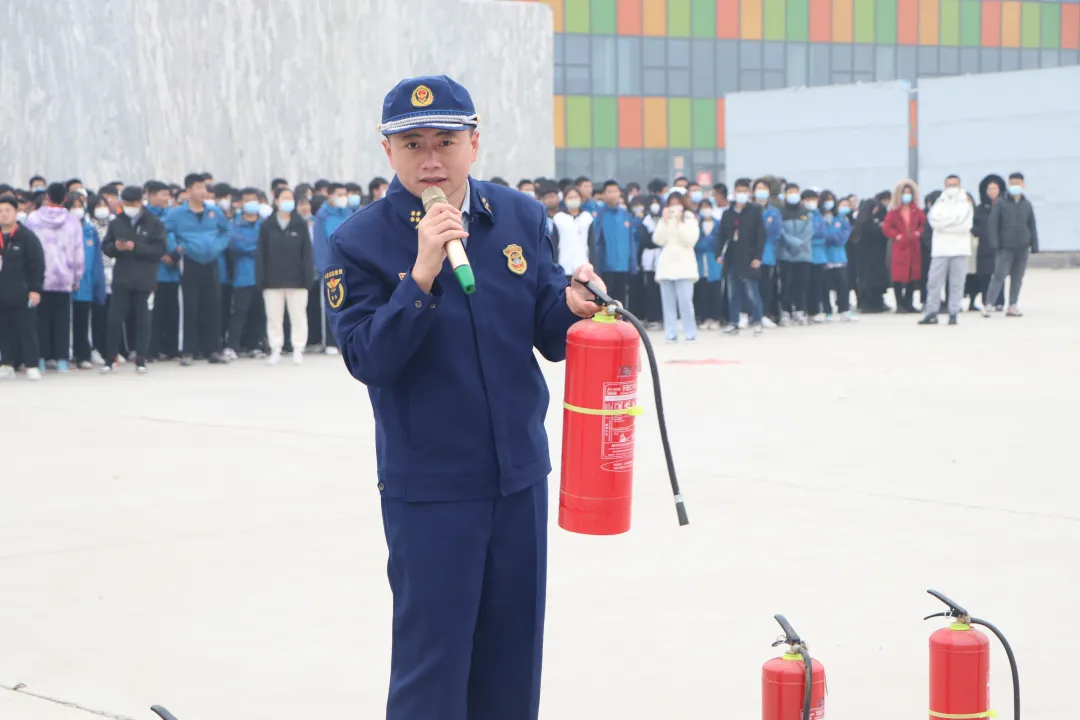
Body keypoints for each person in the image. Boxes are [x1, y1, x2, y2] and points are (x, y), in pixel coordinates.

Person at [323, 74, 605, 720]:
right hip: (432, 488)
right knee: (434, 668)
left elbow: (548, 330)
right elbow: (369, 357)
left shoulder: (519, 217)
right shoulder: (358, 243)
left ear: (474, 144)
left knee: (512, 659)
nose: (430, 159)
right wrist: (421, 272)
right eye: (412, 143)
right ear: (386, 151)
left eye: (446, 141)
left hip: (519, 480)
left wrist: (573, 304)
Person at [166, 173, 231, 365]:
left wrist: (218, 246)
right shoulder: (177, 213)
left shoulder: (214, 212)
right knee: (190, 306)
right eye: (198, 188)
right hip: (189, 261)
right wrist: (176, 247)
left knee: (213, 305)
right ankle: (187, 350)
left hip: (211, 261)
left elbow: (226, 231)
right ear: (188, 191)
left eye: (204, 188)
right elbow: (166, 230)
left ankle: (214, 350)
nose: (203, 192)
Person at [101, 187, 167, 373]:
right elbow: (106, 246)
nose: (129, 207)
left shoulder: (154, 223)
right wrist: (115, 247)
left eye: (133, 203)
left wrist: (135, 247)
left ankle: (141, 359)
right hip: (122, 277)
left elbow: (159, 250)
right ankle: (110, 359)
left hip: (144, 278)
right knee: (114, 319)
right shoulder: (116, 223)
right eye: (126, 203)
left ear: (141, 202)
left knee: (142, 320)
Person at [24, 182, 84, 372]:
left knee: (39, 320)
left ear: (46, 197)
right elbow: (78, 252)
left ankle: (40, 358)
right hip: (64, 277)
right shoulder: (72, 221)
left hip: (39, 277)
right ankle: (61, 360)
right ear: (65, 199)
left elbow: (27, 249)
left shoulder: (32, 219)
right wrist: (77, 277)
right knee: (62, 321)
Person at [256, 187, 312, 365]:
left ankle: (298, 348)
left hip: (297, 280)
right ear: (276, 201)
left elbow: (307, 253)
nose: (288, 201)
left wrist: (307, 277)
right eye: (284, 198)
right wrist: (261, 278)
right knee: (274, 317)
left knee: (298, 316)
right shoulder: (267, 225)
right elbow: (261, 253)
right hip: (273, 280)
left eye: (291, 198)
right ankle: (276, 348)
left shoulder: (300, 224)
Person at [0, 195, 45, 380]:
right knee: (4, 329)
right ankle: (7, 363)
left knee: (27, 329)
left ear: (16, 212)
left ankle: (32, 364)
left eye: (7, 210)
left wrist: (35, 289)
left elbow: (37, 265)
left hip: (21, 291)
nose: (3, 214)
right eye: (0, 211)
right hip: (1, 292)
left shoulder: (26, 236)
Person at [920, 175, 973, 326]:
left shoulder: (966, 204)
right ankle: (931, 312)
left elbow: (965, 225)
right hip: (940, 249)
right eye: (949, 185)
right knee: (933, 281)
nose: (952, 188)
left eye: (955, 185)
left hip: (960, 249)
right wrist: (952, 223)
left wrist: (945, 226)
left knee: (957, 283)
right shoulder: (939, 203)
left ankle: (953, 312)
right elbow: (934, 222)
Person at [984, 172, 1038, 318]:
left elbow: (1032, 224)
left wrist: (1034, 244)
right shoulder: (1001, 203)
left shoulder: (1026, 204)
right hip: (1005, 246)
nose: (1015, 186)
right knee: (999, 275)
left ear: (1023, 185)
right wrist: (995, 243)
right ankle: (989, 304)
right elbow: (993, 224)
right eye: (1012, 183)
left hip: (1022, 246)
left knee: (1017, 277)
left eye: (1018, 183)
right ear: (1008, 185)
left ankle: (1013, 305)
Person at [717, 178, 765, 335]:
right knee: (733, 293)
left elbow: (760, 236)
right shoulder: (728, 213)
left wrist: (757, 256)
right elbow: (721, 236)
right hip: (731, 259)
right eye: (739, 191)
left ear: (749, 193)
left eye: (745, 192)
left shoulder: (755, 212)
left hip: (749, 258)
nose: (741, 194)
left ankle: (757, 321)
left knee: (752, 292)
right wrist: (719, 254)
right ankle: (734, 322)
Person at [653, 190, 700, 341]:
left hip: (684, 266)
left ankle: (690, 332)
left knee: (685, 301)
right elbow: (658, 240)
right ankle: (671, 332)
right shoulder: (664, 220)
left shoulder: (690, 218)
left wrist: (679, 223)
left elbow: (690, 240)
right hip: (667, 265)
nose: (674, 207)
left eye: (677, 203)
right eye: (671, 204)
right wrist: (665, 222)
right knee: (668, 303)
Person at [882, 179, 926, 313]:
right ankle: (899, 303)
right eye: (904, 193)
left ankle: (909, 303)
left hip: (914, 247)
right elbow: (886, 227)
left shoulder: (916, 211)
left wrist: (918, 233)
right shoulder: (893, 212)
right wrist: (897, 236)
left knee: (913, 276)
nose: (907, 195)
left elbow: (924, 225)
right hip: (900, 248)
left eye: (909, 192)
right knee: (898, 277)